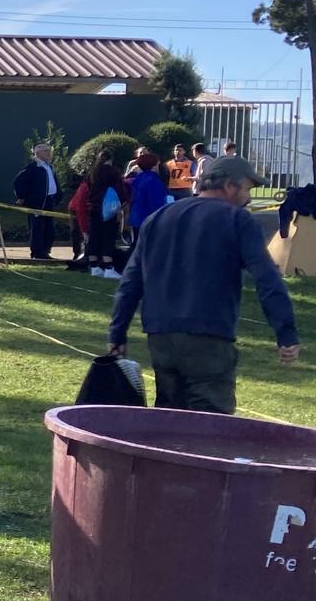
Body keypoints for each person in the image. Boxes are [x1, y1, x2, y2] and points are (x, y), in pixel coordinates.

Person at [109, 156, 300, 413]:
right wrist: (285, 333)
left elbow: (131, 282)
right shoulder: (238, 220)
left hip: (161, 336)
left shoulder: (158, 218)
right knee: (211, 426)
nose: (249, 198)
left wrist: (117, 334)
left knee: (168, 418)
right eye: (247, 189)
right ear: (230, 186)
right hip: (209, 337)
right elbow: (267, 279)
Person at [13, 142, 63, 260]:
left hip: (49, 201)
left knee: (50, 229)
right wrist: (22, 197)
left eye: (49, 151)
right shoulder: (33, 168)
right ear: (38, 153)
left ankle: (45, 252)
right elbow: (18, 182)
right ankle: (36, 253)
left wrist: (58, 196)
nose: (49, 153)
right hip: (37, 203)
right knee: (37, 229)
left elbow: (53, 182)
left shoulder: (49, 167)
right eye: (46, 151)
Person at [85, 150, 128, 279]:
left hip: (93, 207)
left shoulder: (93, 172)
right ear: (111, 159)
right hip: (108, 208)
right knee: (108, 237)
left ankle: (94, 267)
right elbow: (120, 190)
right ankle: (108, 267)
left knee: (94, 236)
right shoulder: (114, 172)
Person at [128, 145, 171, 234]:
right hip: (148, 219)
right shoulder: (153, 181)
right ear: (153, 166)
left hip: (136, 217)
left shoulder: (137, 179)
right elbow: (157, 203)